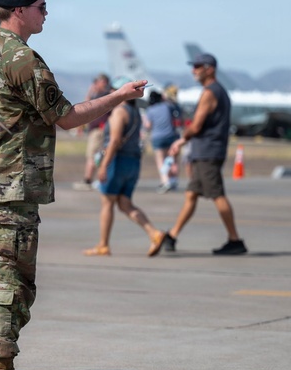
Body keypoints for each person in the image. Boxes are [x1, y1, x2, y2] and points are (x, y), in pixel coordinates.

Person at [0, 0, 146, 370]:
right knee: (11, 283)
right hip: (10, 186)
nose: (46, 12)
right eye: (41, 5)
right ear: (19, 10)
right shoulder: (21, 59)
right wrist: (119, 96)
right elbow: (68, 117)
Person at [161, 54, 247, 255]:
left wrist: (181, 140)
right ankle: (172, 236)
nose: (194, 70)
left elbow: (197, 125)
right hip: (206, 151)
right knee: (191, 194)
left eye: (198, 66)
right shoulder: (220, 91)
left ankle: (235, 240)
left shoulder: (210, 93)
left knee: (217, 195)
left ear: (210, 69)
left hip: (207, 152)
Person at [83, 80, 166, 257]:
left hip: (117, 161)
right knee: (124, 203)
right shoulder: (135, 111)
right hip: (133, 161)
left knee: (107, 202)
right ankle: (154, 233)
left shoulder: (119, 111)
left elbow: (114, 141)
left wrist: (104, 166)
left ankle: (103, 245)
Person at [73, 73, 113, 191]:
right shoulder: (99, 95)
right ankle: (93, 179)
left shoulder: (105, 94)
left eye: (98, 82)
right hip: (97, 129)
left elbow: (87, 106)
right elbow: (86, 106)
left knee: (93, 155)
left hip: (99, 130)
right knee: (96, 156)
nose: (96, 84)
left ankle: (88, 180)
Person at [144, 90, 180, 192]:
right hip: (171, 135)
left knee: (161, 161)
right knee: (172, 159)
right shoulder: (167, 106)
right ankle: (174, 180)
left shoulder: (150, 110)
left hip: (157, 137)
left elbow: (148, 126)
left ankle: (165, 181)